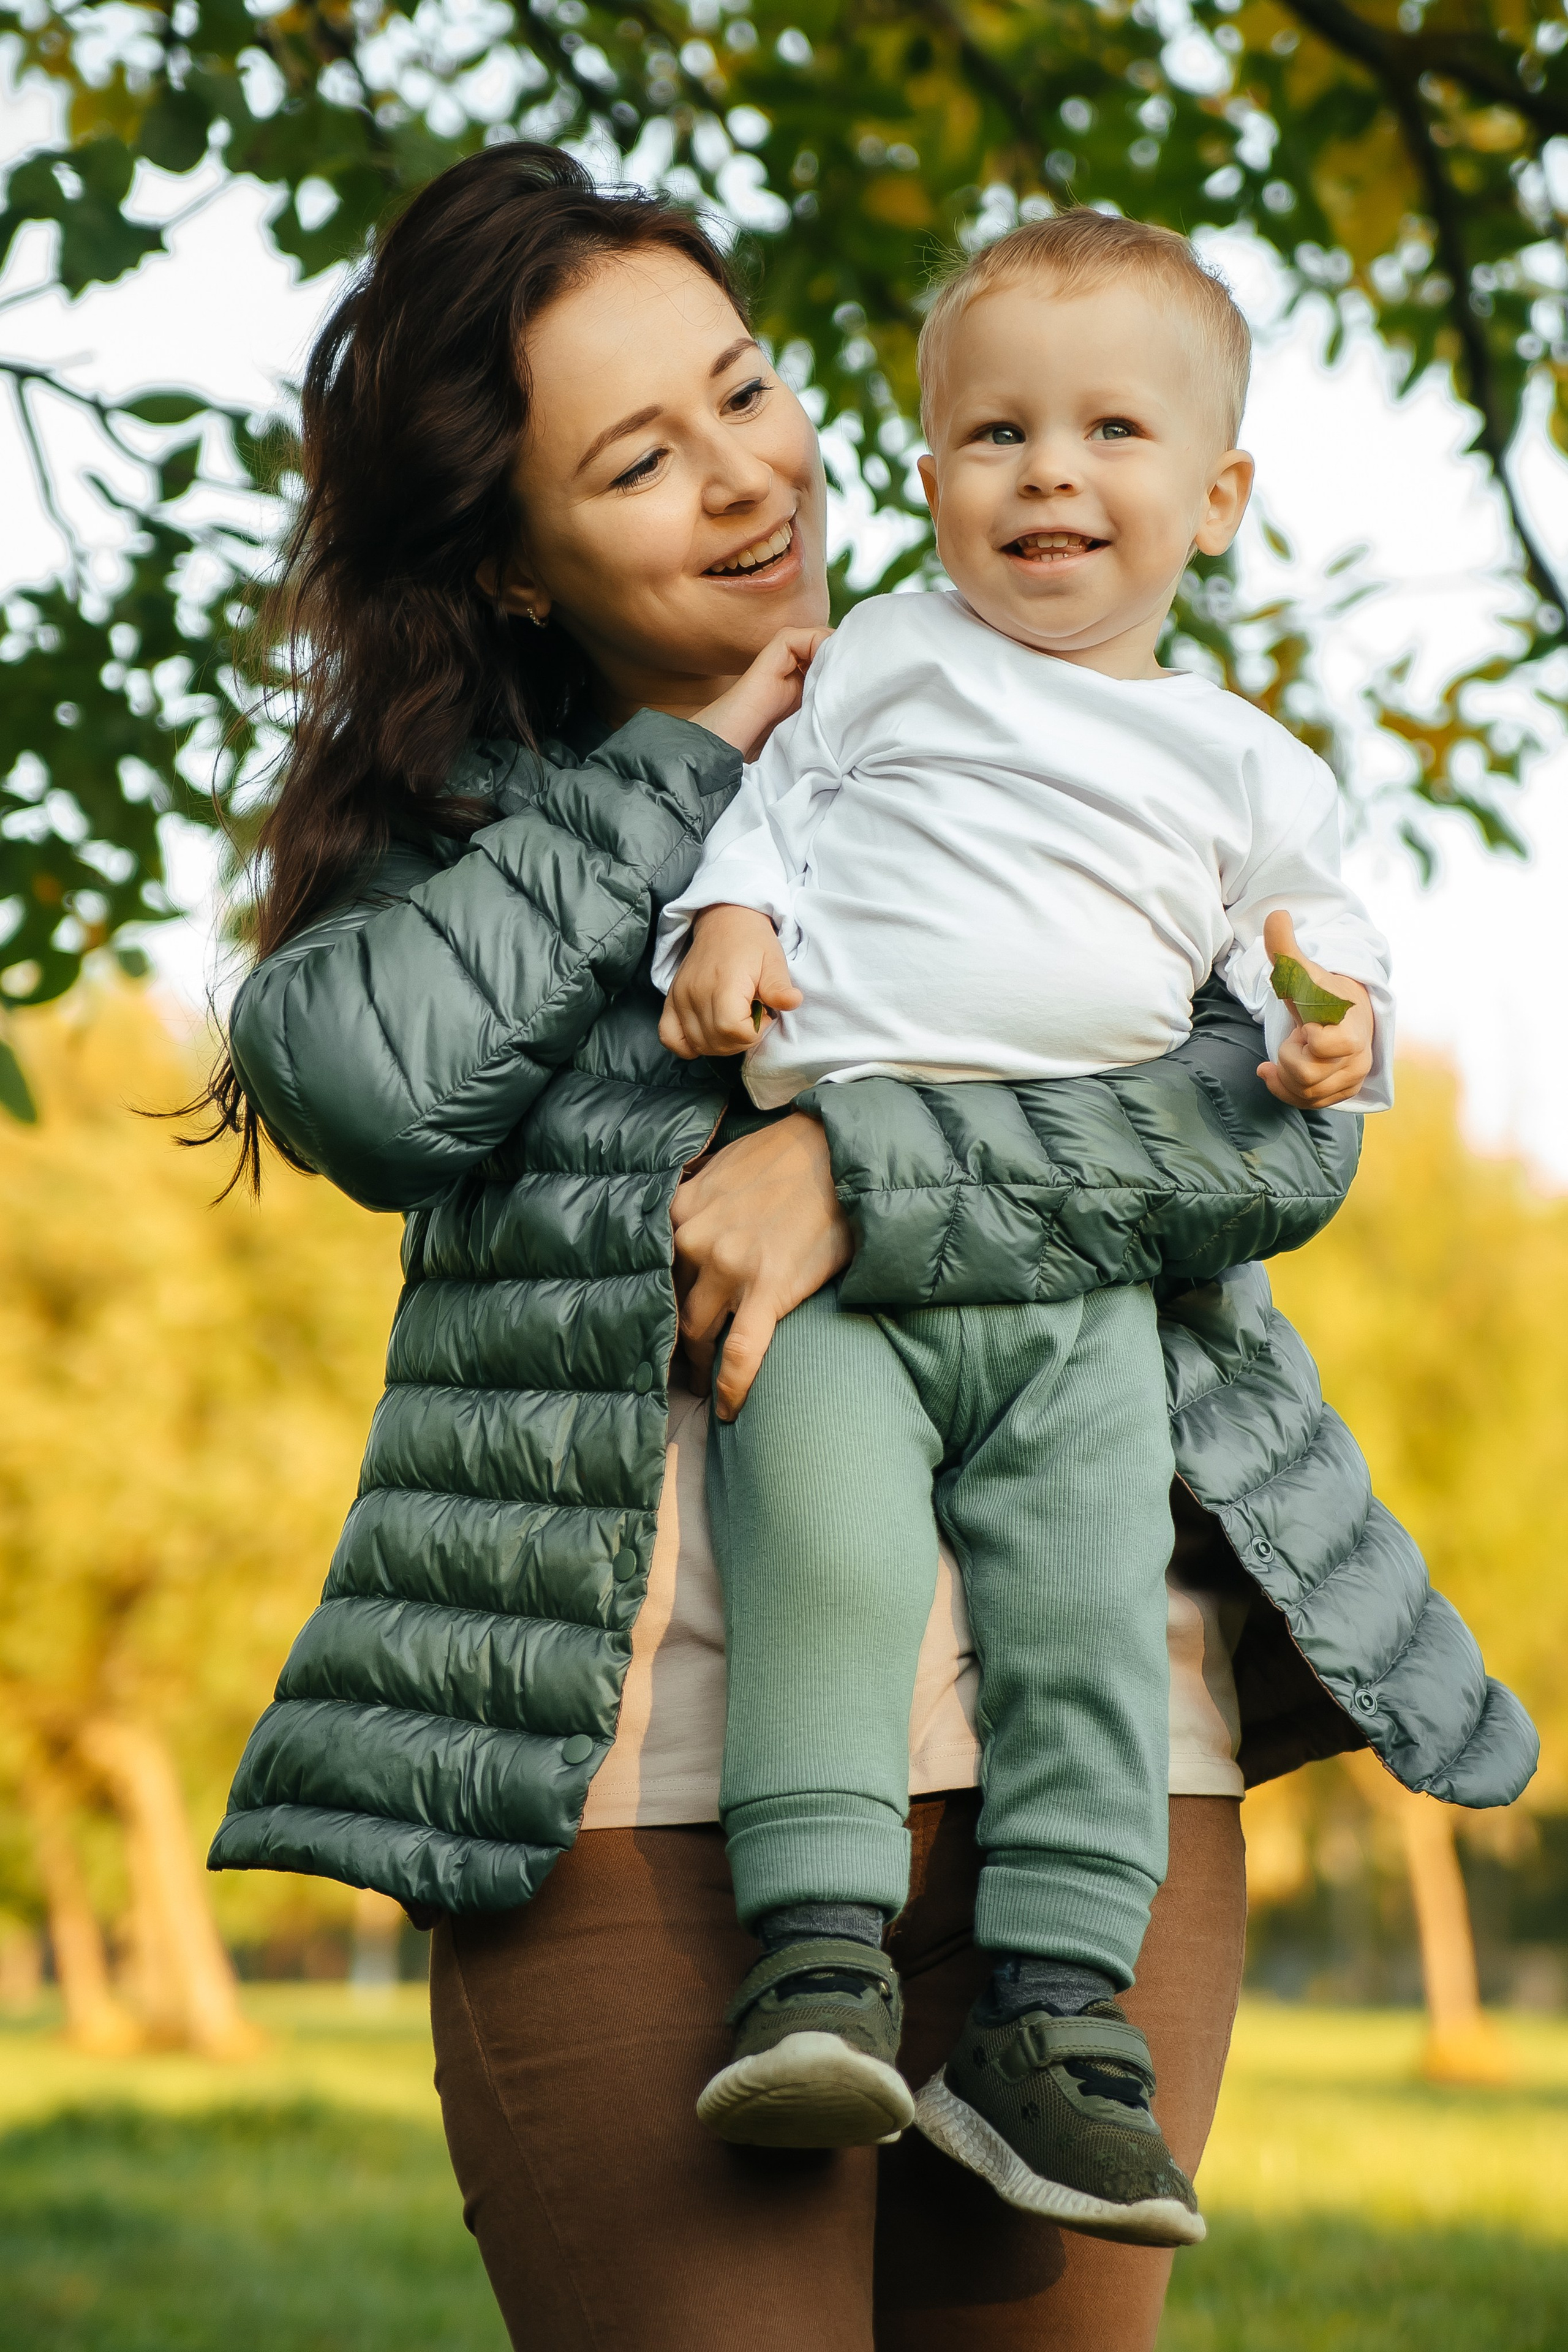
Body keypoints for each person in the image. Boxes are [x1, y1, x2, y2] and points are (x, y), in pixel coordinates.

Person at [201, 145, 1536, 2351]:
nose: (747, 484)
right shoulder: (480, 842)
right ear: (518, 567)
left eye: (745, 389)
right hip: (636, 1787)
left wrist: (869, 1175)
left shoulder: (1065, 722)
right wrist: (716, 754)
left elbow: (1271, 1144)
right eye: (641, 459)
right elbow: (359, 1082)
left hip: (1093, 1760)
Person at [650, 212, 1392, 2244]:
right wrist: (727, 922)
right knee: (830, 1563)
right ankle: (816, 1956)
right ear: (929, 473)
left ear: (1216, 497)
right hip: (842, 1264)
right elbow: (770, 819)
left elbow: (1315, 963)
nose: (1050, 470)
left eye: (1113, 430)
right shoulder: (882, 655)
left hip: (1078, 1275)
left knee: (1081, 1608)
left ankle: (1059, 2016)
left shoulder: (1246, 765)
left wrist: (1341, 1037)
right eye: (995, 433)